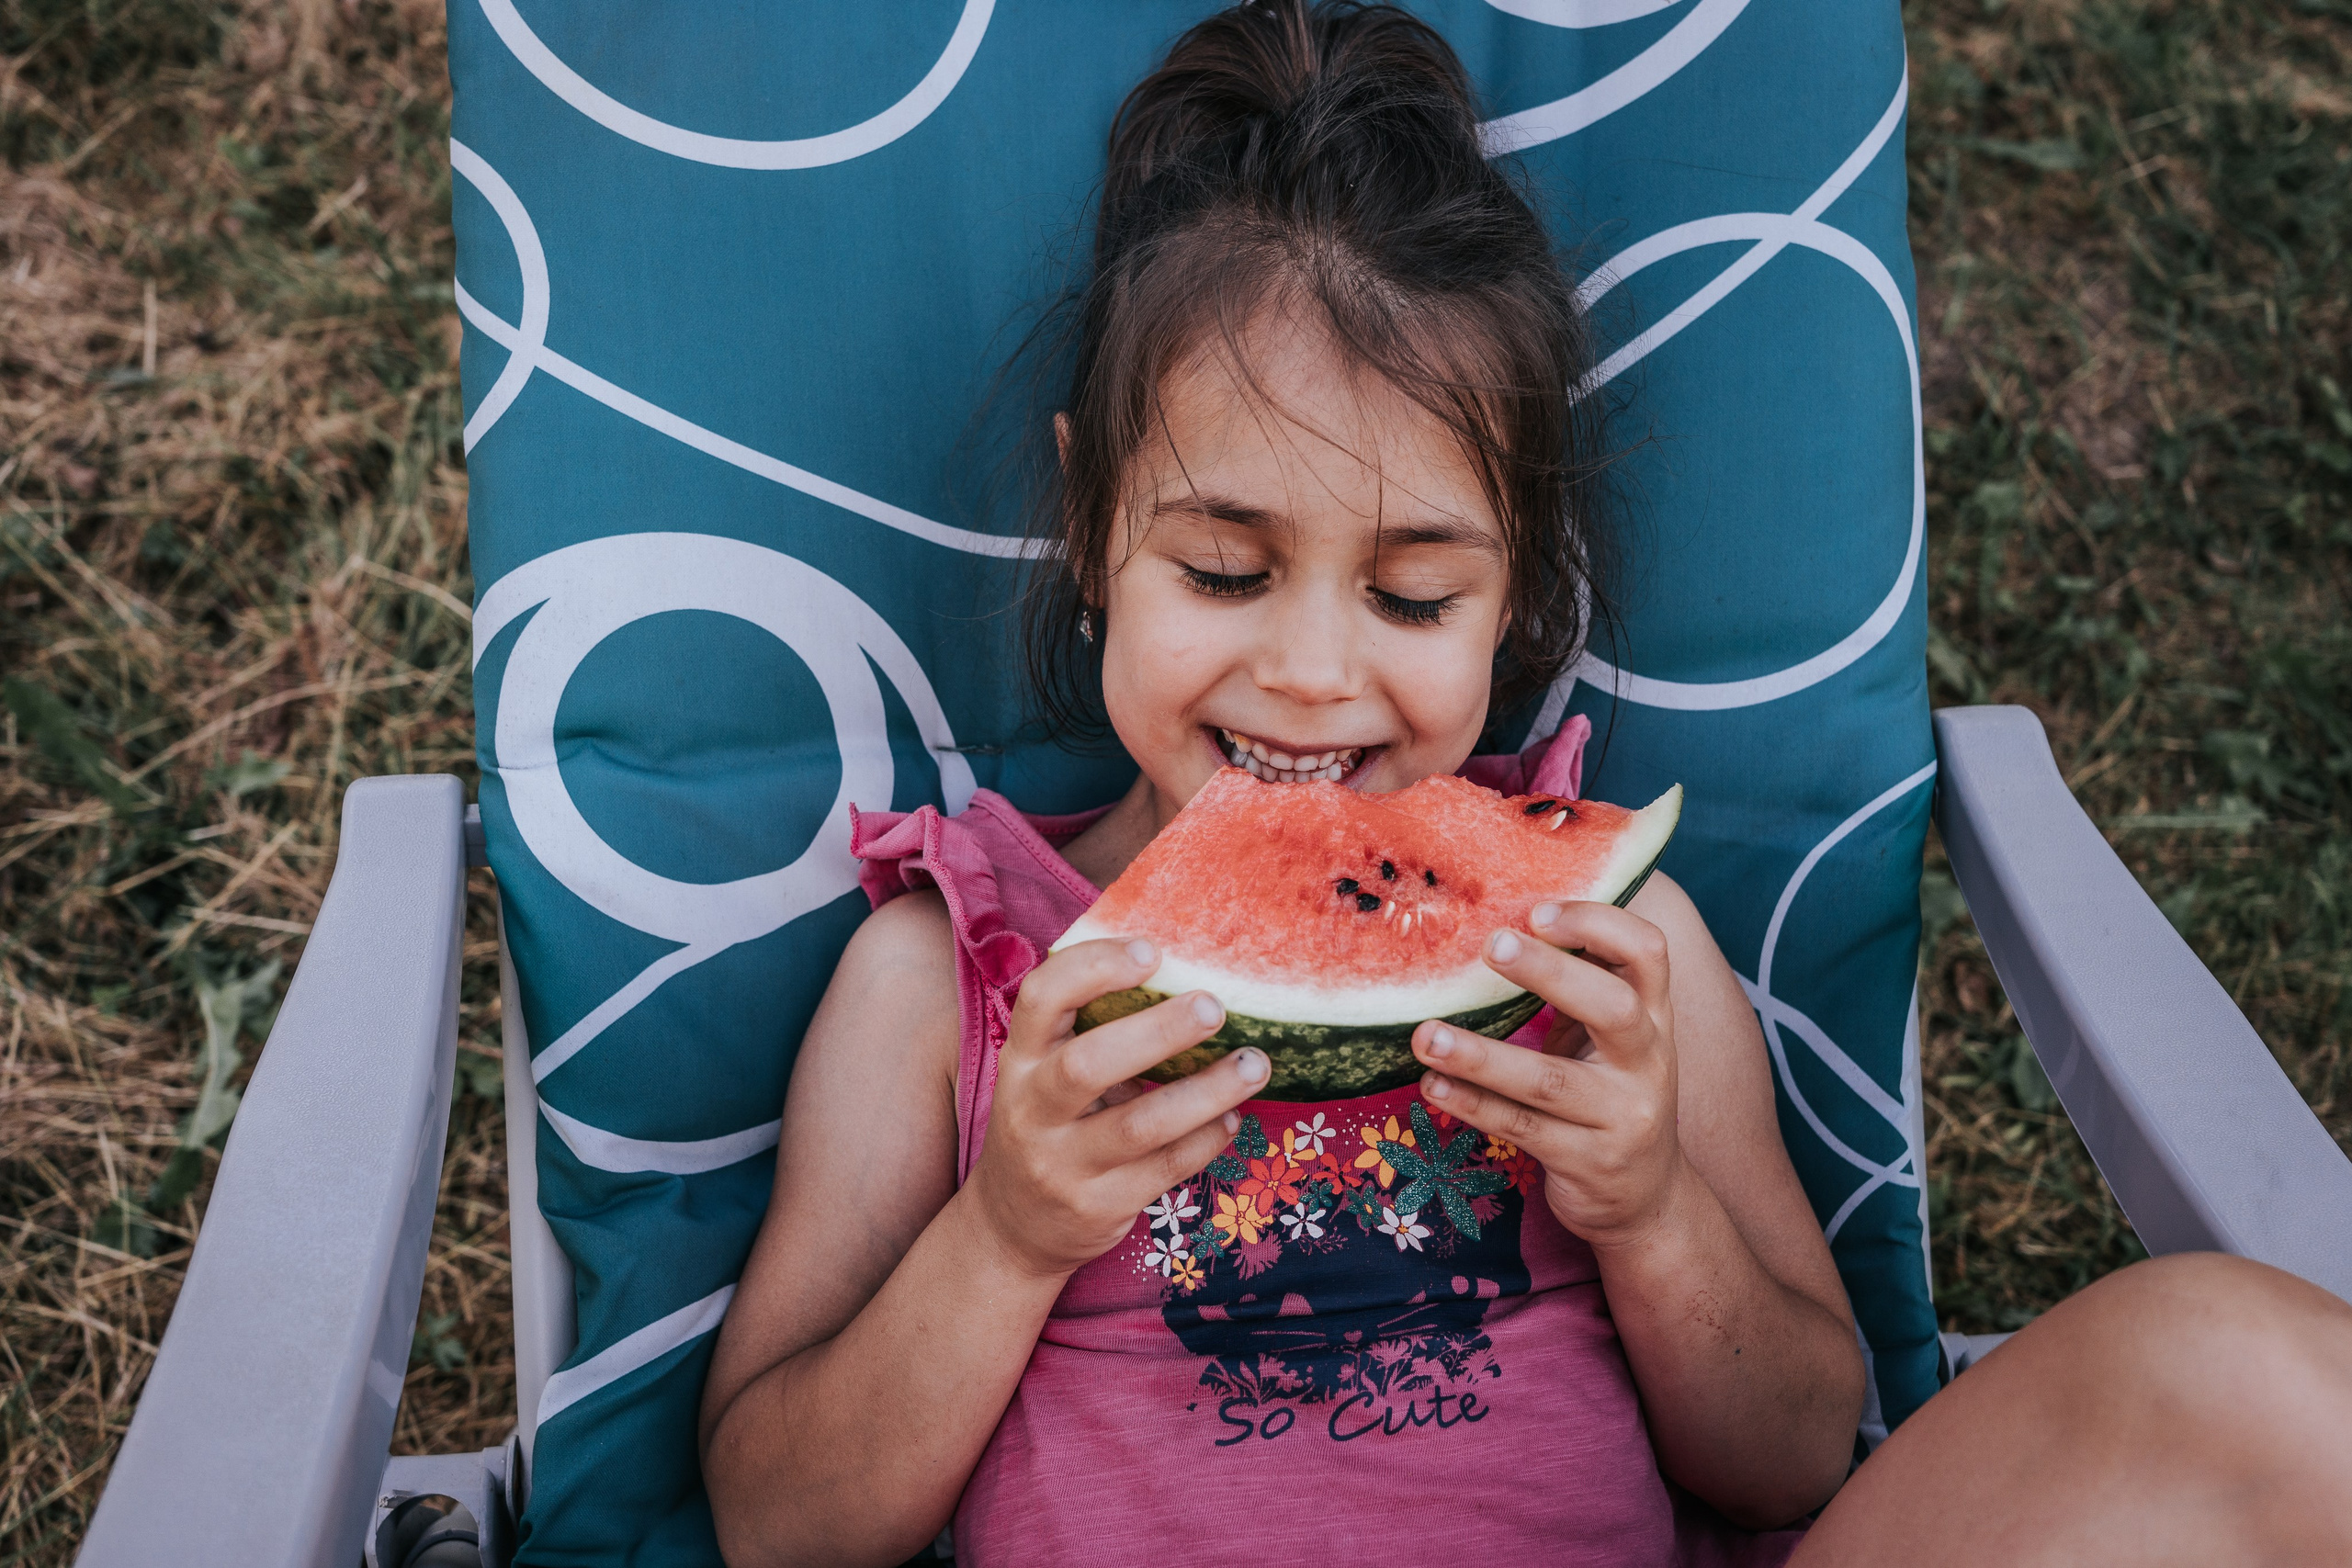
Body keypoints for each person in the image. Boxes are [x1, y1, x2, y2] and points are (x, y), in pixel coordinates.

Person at [699, 5, 2352, 1563]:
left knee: (2248, 1372)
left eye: (1415, 598)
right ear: (1095, 533)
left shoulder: (1611, 947)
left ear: (1516, 592)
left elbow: (1787, 1456)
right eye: (1221, 570)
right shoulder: (951, 983)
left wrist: (1650, 1214)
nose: (1314, 674)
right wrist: (1004, 1238)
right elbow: (777, 1523)